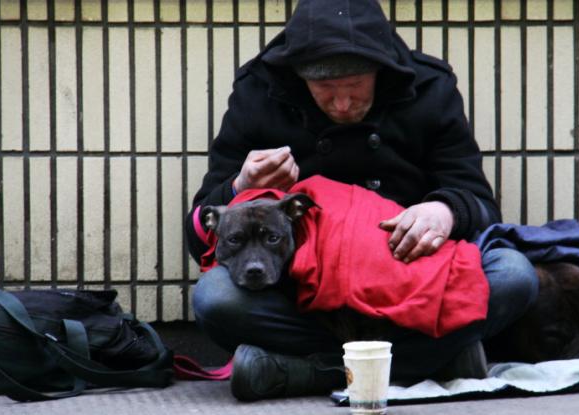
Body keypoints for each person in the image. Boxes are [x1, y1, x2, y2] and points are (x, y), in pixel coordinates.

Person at [185, 0, 539, 401]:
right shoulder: (259, 90)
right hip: (305, 293)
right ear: (299, 78)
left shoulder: (429, 85)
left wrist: (442, 211)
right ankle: (430, 360)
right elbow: (202, 237)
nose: (341, 105)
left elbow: (479, 203)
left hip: (409, 277)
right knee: (215, 298)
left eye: (355, 88)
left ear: (380, 71)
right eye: (324, 90)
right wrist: (239, 185)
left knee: (514, 274)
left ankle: (303, 372)